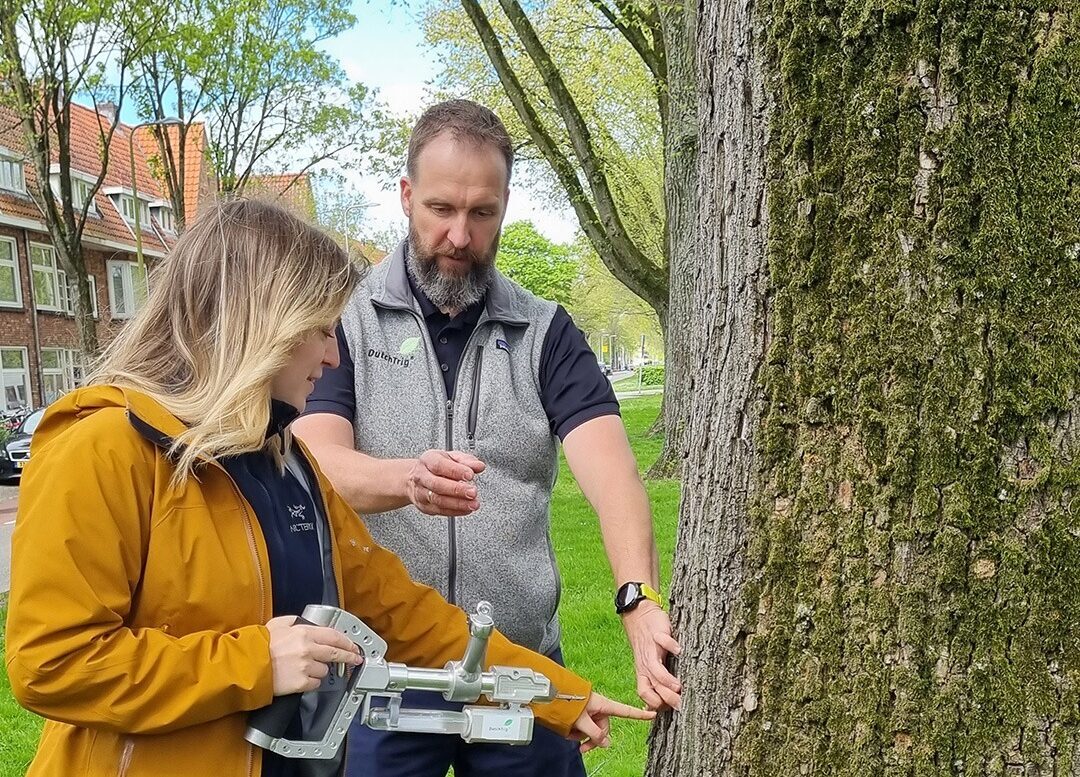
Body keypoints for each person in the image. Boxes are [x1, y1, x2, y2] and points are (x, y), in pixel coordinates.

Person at [3, 200, 652, 777]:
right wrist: (254, 661)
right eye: (319, 330)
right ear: (257, 327)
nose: (334, 356)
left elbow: (406, 615)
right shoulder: (105, 445)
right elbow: (51, 660)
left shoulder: (289, 465)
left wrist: (556, 693)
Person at [293, 99, 681, 777]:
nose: (460, 235)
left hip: (519, 668)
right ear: (407, 196)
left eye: (482, 213)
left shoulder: (546, 331)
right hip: (381, 673)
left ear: (504, 206)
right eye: (441, 209)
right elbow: (316, 460)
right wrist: (405, 479)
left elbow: (614, 475)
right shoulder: (344, 322)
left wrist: (636, 597)